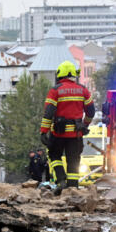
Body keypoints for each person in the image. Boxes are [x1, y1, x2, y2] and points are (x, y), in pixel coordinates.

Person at [39, 60, 94, 196]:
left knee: (54, 156)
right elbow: (91, 111)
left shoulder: (55, 90)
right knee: (73, 160)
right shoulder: (83, 90)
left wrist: (43, 131)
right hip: (76, 135)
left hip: (58, 134)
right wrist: (85, 125)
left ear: (60, 75)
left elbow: (48, 113)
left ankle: (61, 181)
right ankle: (73, 188)